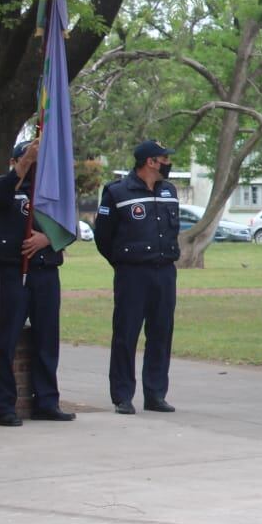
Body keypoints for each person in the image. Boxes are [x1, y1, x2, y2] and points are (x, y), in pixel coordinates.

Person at [0, 140, 76, 425]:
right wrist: (24, 162)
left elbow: (68, 227)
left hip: (46, 271)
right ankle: (5, 407)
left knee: (47, 337)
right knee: (8, 338)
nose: (36, 166)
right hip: (15, 271)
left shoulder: (49, 193)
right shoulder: (4, 187)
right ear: (16, 161)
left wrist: (47, 238)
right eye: (31, 161)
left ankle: (47, 401)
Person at [94, 139, 180, 415]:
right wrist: (122, 262)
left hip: (164, 270)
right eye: (164, 159)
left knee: (161, 333)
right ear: (150, 162)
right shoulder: (118, 192)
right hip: (132, 272)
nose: (168, 163)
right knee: (126, 333)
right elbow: (103, 236)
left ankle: (155, 394)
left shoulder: (169, 191)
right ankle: (122, 395)